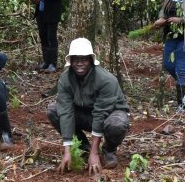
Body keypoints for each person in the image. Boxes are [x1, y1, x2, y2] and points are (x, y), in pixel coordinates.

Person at [46, 38, 130, 173]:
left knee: (116, 124)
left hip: (110, 113)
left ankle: (109, 150)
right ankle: (82, 146)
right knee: (54, 110)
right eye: (75, 60)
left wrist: (94, 153)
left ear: (91, 60)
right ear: (71, 61)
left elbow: (100, 113)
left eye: (84, 60)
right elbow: (65, 111)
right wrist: (67, 150)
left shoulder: (106, 80)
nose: (79, 64)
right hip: (85, 113)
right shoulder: (65, 79)